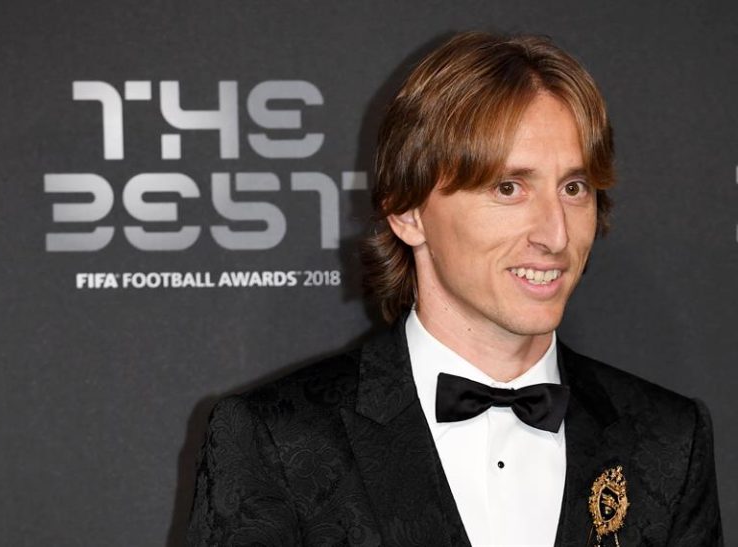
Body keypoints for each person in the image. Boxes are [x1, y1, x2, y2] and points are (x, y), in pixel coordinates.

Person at [186, 32, 722, 546]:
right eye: (508, 188)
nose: (556, 234)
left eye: (574, 187)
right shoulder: (277, 439)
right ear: (408, 213)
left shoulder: (668, 439)